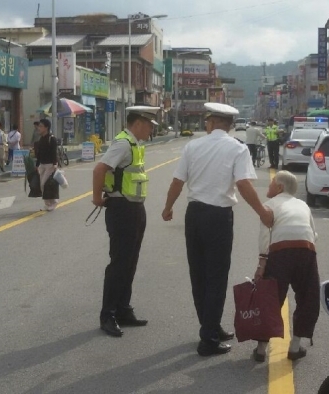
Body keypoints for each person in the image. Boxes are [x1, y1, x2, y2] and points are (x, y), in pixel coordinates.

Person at [162, 102, 274, 357]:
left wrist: (168, 207)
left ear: (211, 122)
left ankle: (209, 326)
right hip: (218, 217)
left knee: (199, 274)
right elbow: (243, 184)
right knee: (216, 277)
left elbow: (178, 181)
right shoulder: (237, 148)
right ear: (230, 125)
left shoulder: (194, 145)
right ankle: (208, 338)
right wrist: (262, 212)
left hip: (194, 215)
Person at [92, 106, 160, 337]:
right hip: (121, 209)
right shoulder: (122, 143)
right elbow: (100, 169)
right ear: (139, 123)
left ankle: (123, 309)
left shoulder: (135, 144)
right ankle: (108, 314)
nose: (151, 130)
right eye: (150, 125)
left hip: (134, 207)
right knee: (119, 263)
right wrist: (96, 197)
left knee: (130, 262)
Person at [251, 170, 320, 362]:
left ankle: (261, 350)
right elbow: (314, 234)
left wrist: (262, 263)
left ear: (280, 187)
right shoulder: (303, 205)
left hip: (280, 251)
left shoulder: (270, 205)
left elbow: (266, 234)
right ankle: (296, 346)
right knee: (308, 296)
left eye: (271, 183)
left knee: (271, 297)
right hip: (306, 249)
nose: (269, 186)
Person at [34, 119, 59, 211]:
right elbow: (39, 154)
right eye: (39, 126)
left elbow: (54, 152)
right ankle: (48, 203)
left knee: (45, 184)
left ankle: (54, 202)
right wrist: (37, 165)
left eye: (41, 126)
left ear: (46, 127)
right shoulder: (41, 139)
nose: (39, 128)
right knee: (42, 185)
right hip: (42, 165)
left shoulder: (51, 139)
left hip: (50, 165)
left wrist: (55, 163)